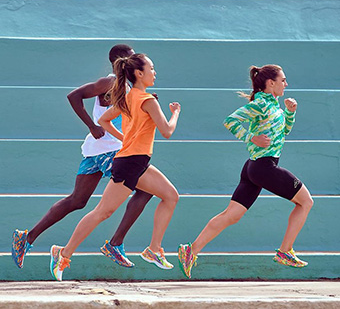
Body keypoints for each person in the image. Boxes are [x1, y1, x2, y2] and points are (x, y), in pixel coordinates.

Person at [12, 44, 153, 269]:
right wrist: (92, 125)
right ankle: (115, 244)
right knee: (147, 189)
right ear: (122, 61)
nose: (136, 60)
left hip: (95, 151)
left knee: (77, 200)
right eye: (132, 57)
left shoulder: (128, 88)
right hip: (110, 151)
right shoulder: (110, 82)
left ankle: (27, 238)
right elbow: (74, 95)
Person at [50, 53, 181, 281]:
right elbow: (167, 132)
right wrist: (176, 113)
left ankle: (154, 249)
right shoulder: (148, 100)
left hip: (136, 160)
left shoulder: (128, 98)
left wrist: (125, 138)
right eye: (152, 68)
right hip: (130, 164)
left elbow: (103, 121)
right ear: (139, 73)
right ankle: (63, 253)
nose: (155, 72)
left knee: (170, 196)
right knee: (103, 212)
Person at [178, 64, 314, 279]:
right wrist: (252, 138)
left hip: (253, 167)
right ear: (271, 83)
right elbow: (230, 121)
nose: (286, 84)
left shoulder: (274, 106)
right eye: (283, 80)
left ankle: (190, 250)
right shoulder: (260, 103)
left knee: (231, 215)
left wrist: (290, 113)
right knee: (306, 202)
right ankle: (285, 251)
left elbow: (284, 132)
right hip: (264, 167)